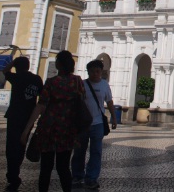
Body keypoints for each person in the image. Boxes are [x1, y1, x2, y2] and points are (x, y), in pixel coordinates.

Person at [21, 50, 85, 192]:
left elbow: (40, 106)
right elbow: (82, 102)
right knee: (64, 167)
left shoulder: (52, 82)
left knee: (46, 168)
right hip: (68, 129)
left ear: (58, 64)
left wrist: (27, 129)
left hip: (49, 128)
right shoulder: (77, 82)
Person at [72, 59, 117, 190]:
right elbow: (77, 102)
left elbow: (109, 102)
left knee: (96, 151)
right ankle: (77, 175)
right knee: (79, 150)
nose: (95, 74)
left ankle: (91, 177)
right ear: (88, 72)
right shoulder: (82, 84)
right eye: (92, 71)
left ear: (101, 72)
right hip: (83, 124)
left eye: (98, 71)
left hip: (98, 124)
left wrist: (114, 118)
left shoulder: (104, 85)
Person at [3, 56, 44, 191]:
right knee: (21, 144)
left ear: (17, 67)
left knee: (11, 146)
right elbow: (42, 98)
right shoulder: (37, 79)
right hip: (28, 117)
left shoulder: (16, 77)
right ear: (28, 66)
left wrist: (13, 62)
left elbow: (5, 70)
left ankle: (13, 175)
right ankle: (15, 172)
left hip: (14, 116)